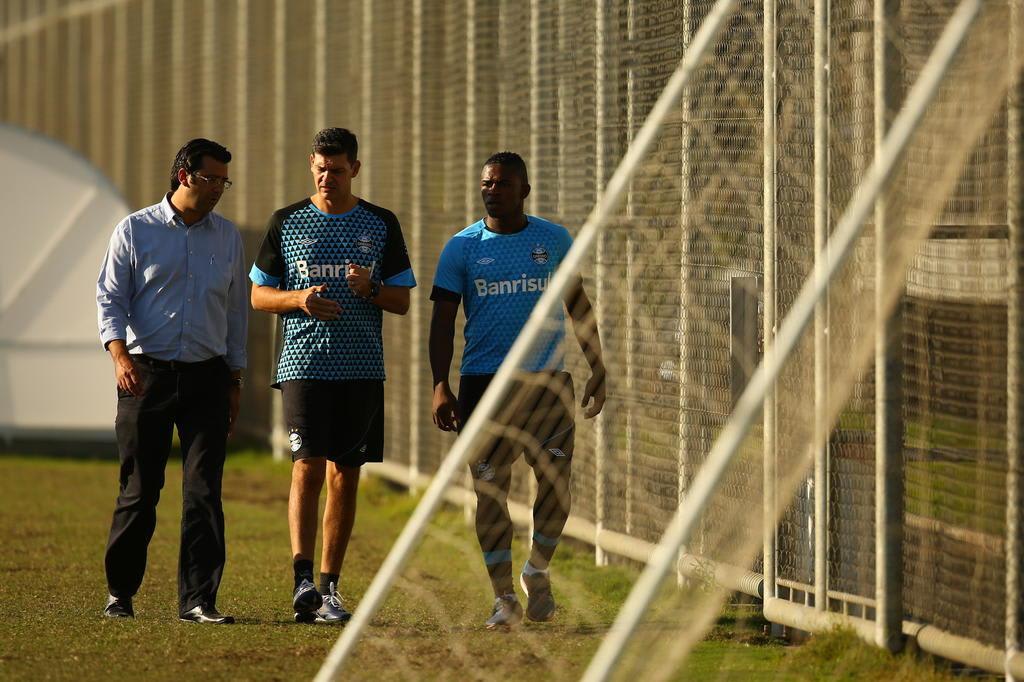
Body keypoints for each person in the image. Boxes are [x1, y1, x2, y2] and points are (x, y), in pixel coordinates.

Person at [429, 151, 606, 629]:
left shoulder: (553, 240)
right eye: (487, 182)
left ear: (524, 191)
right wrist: (440, 384)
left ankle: (537, 569)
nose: (493, 189)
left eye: (504, 183)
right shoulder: (461, 248)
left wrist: (598, 365)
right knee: (489, 492)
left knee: (556, 486)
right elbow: (443, 321)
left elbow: (578, 305)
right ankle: (503, 598)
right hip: (485, 385)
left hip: (548, 383)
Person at [249, 127, 416, 624]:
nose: (328, 178)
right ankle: (301, 579)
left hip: (361, 368)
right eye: (320, 169)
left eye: (338, 170)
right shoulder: (287, 221)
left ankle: (330, 590)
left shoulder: (380, 223)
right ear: (311, 166)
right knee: (307, 466)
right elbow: (259, 295)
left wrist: (370, 287)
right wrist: (297, 299)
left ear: (355, 170)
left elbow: (403, 300)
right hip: (302, 364)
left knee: (346, 475)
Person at [96, 138, 247, 624]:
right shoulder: (135, 230)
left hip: (208, 375)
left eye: (224, 181)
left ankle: (199, 599)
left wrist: (235, 377)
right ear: (185, 175)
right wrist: (119, 355)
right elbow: (110, 298)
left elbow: (236, 312)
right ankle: (120, 592)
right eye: (211, 179)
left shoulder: (226, 237)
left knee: (204, 491)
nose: (218, 189)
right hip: (147, 375)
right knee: (141, 489)